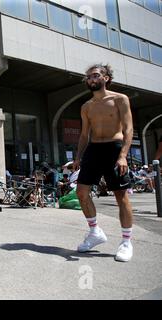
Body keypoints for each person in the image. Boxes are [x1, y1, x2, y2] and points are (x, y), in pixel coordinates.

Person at [73, 64, 134, 262]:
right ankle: (95, 232)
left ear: (106, 78)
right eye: (88, 77)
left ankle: (126, 242)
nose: (91, 79)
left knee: (121, 196)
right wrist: (78, 157)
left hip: (114, 148)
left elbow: (128, 129)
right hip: (94, 149)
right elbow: (84, 135)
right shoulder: (86, 107)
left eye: (95, 75)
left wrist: (123, 155)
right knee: (81, 192)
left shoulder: (119, 99)